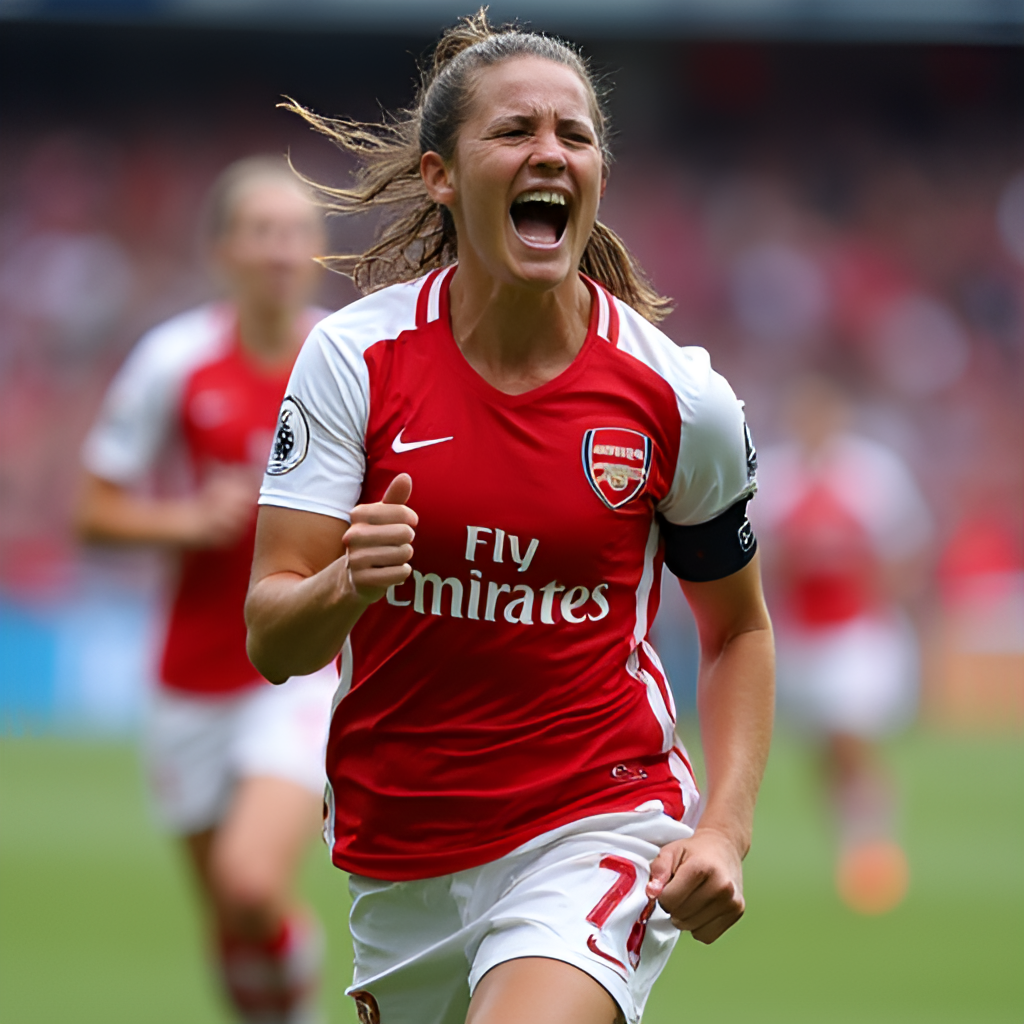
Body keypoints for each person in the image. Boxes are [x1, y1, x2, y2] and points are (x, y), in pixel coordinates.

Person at [246, 13, 774, 1024]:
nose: (550, 153)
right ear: (442, 176)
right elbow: (272, 637)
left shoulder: (680, 398)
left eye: (574, 136)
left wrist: (724, 829)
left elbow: (738, 628)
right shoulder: (351, 361)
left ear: (599, 177)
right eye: (516, 130)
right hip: (400, 853)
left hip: (596, 821)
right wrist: (342, 582)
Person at [77, 157, 336, 1024]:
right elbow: (92, 510)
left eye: (297, 231)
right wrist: (188, 520)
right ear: (223, 250)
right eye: (261, 231)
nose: (279, 249)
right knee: (230, 921)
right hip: (191, 675)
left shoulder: (347, 355)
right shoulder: (175, 361)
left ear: (317, 250)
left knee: (252, 883)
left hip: (300, 664)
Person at [753, 374, 932, 914]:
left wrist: (884, 592)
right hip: (798, 635)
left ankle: (872, 850)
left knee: (849, 735)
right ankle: (852, 836)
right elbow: (753, 556)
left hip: (858, 631)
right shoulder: (775, 477)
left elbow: (907, 546)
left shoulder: (872, 475)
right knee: (827, 749)